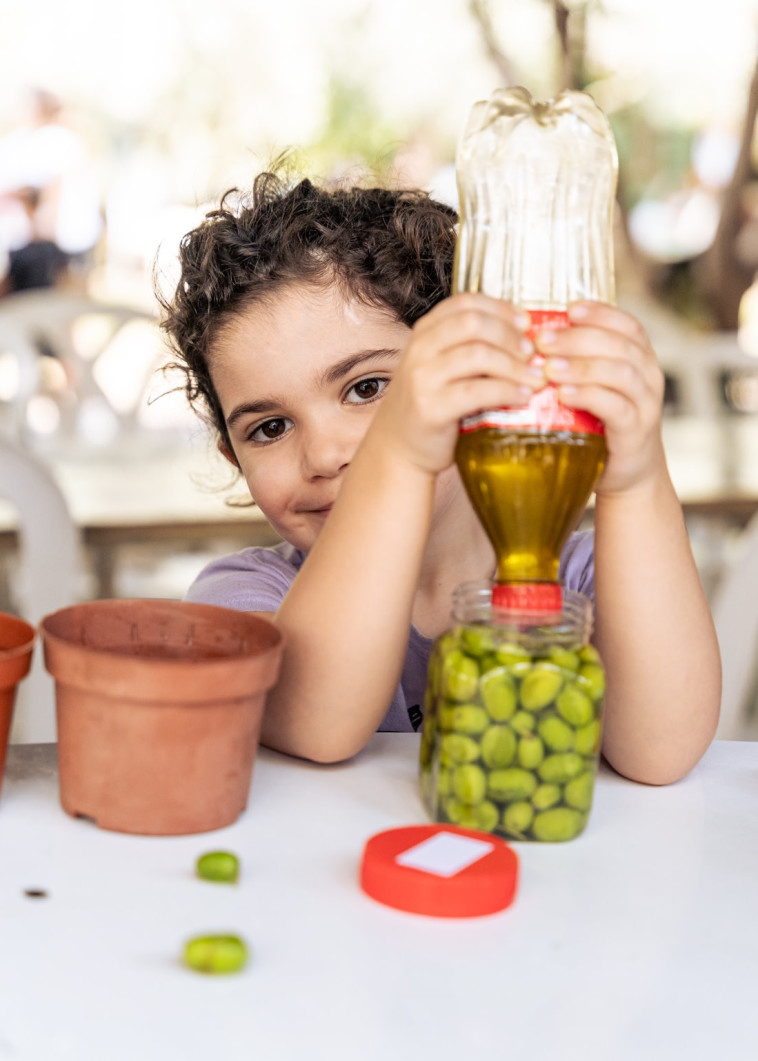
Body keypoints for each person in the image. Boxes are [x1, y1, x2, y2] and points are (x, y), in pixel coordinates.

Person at [159, 168, 721, 784]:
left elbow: (662, 749)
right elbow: (316, 717)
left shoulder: (584, 583)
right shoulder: (243, 603)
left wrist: (634, 482)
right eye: (269, 428)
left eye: (368, 388)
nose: (324, 455)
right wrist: (397, 454)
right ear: (232, 456)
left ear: (489, 379)